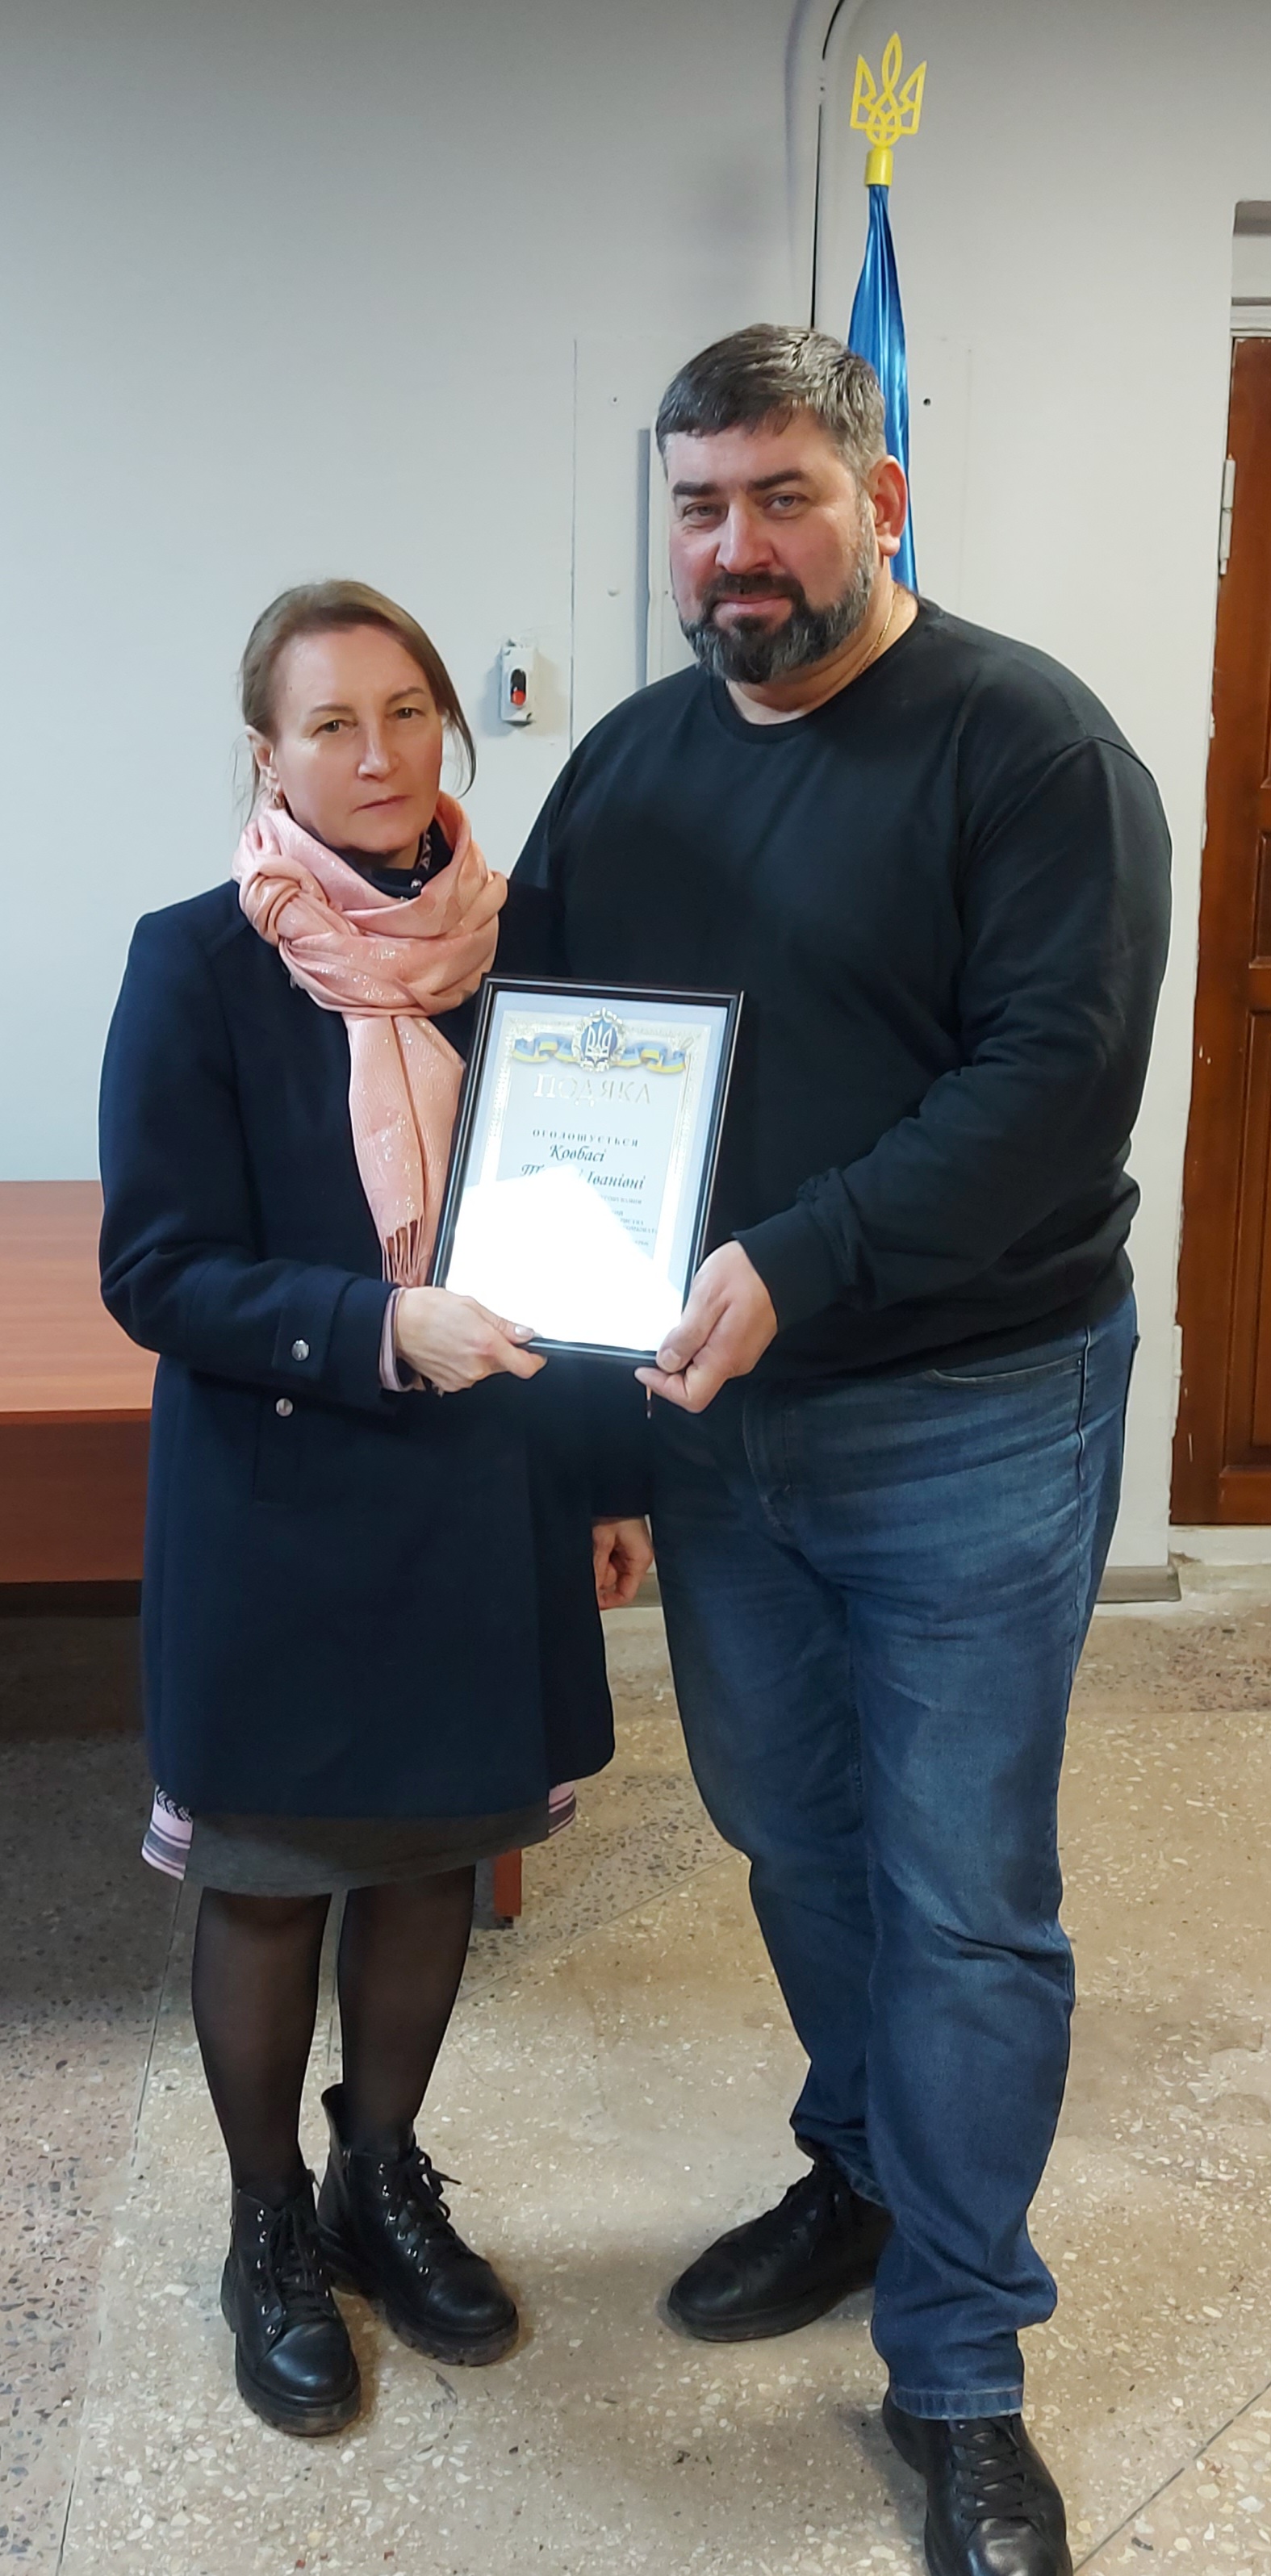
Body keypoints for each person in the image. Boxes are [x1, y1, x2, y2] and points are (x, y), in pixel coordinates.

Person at [502, 327, 1171, 2576]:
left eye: (782, 494)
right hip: (717, 1420)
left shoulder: (1028, 746)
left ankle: (962, 2361)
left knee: (962, 1892)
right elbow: (549, 1051)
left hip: (970, 1404)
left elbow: (1051, 1084)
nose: (736, 548)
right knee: (788, 1831)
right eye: (698, 505)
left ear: (879, 493)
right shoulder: (632, 762)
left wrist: (796, 1259)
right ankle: (866, 2159)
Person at [99, 579, 651, 2439]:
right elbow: (157, 1270)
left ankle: (376, 2171)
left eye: (406, 710)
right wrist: (375, 1326)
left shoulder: (526, 948)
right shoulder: (195, 960)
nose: (377, 751)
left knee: (431, 1855)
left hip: (485, 1485)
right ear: (266, 755)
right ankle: (268, 2224)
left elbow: (588, 1232)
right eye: (330, 721)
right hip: (281, 1493)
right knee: (270, 1882)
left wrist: (609, 1477)